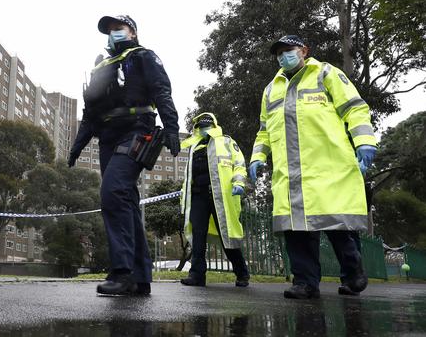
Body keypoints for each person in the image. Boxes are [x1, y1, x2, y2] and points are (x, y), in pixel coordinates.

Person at [249, 35, 377, 299]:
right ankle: (305, 282)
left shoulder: (326, 73)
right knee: (296, 232)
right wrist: (257, 157)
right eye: (280, 53)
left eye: (289, 50)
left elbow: (354, 108)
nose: (284, 56)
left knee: (338, 227)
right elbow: (264, 131)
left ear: (304, 50)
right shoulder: (271, 89)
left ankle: (353, 275)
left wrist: (364, 140)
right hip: (291, 175)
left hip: (329, 169)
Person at [68, 15, 180, 296]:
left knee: (114, 192)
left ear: (132, 32)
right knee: (127, 201)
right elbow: (90, 114)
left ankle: (122, 271)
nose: (112, 34)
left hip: (137, 130)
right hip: (107, 137)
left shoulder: (144, 57)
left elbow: (162, 91)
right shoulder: (101, 68)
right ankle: (140, 278)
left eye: (118, 29)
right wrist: (77, 146)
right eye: (109, 31)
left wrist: (172, 128)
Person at [179, 113, 250, 287]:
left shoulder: (226, 142)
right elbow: (188, 177)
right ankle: (196, 275)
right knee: (198, 236)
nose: (203, 130)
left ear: (214, 126)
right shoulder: (193, 147)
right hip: (198, 197)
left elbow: (239, 163)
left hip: (221, 197)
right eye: (200, 127)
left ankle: (242, 273)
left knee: (227, 236)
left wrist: (239, 181)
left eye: (206, 127)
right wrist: (184, 198)